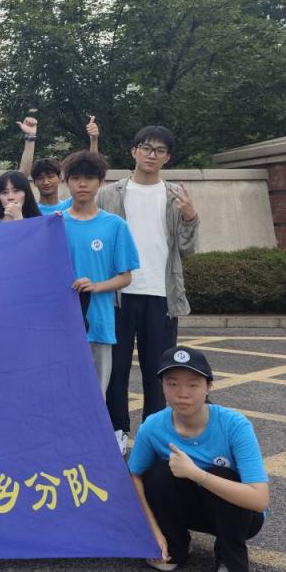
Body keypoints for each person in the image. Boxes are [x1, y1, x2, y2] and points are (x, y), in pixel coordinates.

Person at [130, 347, 268, 572]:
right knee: (158, 474)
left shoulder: (234, 425)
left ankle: (231, 561)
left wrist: (197, 474)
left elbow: (259, 500)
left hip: (240, 517)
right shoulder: (152, 426)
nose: (182, 393)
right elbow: (134, 475)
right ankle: (174, 546)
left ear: (208, 387)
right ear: (162, 386)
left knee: (223, 475)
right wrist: (154, 532)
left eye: (193, 385)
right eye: (172, 384)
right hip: (190, 509)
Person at [98, 125, 200, 456]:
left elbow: (187, 249)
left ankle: (154, 432)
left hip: (161, 293)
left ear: (167, 157)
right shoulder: (110, 194)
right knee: (116, 367)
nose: (151, 155)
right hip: (118, 293)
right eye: (145, 148)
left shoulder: (174, 196)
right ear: (134, 151)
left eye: (159, 150)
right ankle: (118, 429)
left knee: (159, 369)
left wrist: (190, 217)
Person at [60, 151, 138, 395]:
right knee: (60, 395)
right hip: (59, 326)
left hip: (99, 324)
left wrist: (96, 286)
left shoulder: (115, 225)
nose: (82, 184)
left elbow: (126, 277)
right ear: (66, 182)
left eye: (89, 178)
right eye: (75, 178)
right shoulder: (54, 224)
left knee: (95, 398)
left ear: (101, 182)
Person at [21, 115, 100, 214]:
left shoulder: (73, 205)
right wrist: (30, 137)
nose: (46, 182)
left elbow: (93, 169)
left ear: (60, 178)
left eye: (50, 176)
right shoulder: (30, 210)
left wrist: (94, 140)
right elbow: (21, 176)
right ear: (34, 182)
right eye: (40, 178)